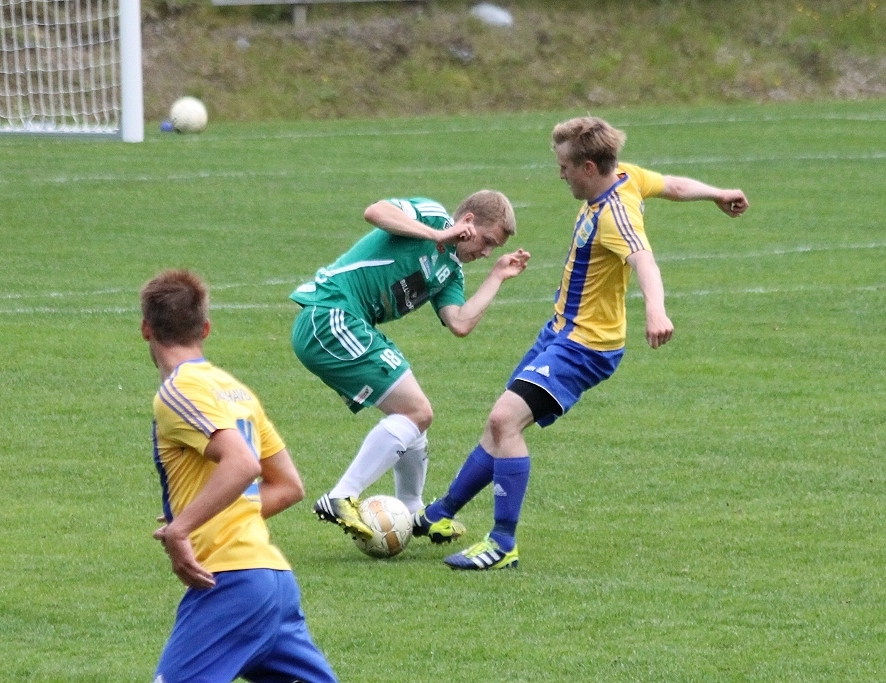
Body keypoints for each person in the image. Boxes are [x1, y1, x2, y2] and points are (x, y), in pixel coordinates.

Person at [415, 116, 750, 570]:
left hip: (587, 346)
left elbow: (644, 261)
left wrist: (656, 310)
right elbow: (672, 185)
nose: (561, 175)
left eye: (565, 167)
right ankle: (439, 514)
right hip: (560, 332)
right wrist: (717, 193)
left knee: (504, 420)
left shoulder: (616, 215)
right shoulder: (626, 175)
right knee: (499, 426)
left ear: (589, 167)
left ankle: (502, 544)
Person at [290, 190, 531, 541]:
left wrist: (496, 276)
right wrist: (437, 234)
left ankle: (413, 510)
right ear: (467, 222)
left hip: (346, 323)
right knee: (417, 411)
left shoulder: (450, 272)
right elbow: (375, 211)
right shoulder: (431, 216)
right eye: (487, 241)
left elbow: (459, 323)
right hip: (330, 314)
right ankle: (341, 496)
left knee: (414, 415)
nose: (486, 252)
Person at [141, 269, 338, 683]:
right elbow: (287, 485)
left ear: (146, 329)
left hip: (230, 585)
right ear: (205, 329)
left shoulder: (177, 391)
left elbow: (242, 463)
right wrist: (199, 511)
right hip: (274, 583)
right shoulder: (235, 390)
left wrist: (181, 529)